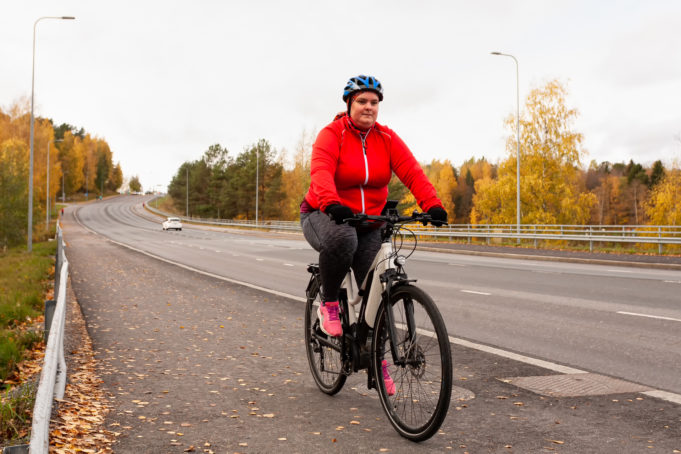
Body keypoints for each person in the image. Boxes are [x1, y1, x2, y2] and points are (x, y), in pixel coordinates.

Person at [300, 75, 447, 340]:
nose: (369, 106)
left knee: (377, 291)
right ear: (349, 104)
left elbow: (412, 173)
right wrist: (331, 203)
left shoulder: (387, 138)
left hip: (370, 221)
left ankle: (376, 362)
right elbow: (320, 170)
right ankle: (330, 304)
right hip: (324, 212)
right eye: (362, 101)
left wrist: (432, 204)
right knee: (343, 240)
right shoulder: (332, 135)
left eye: (374, 102)